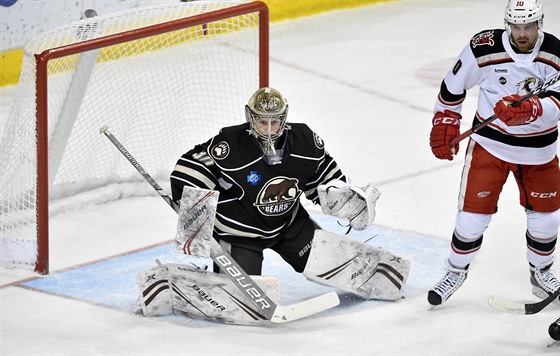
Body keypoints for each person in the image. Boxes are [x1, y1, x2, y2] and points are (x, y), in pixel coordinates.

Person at [427, 0, 560, 306]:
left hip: (538, 153)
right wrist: (445, 121)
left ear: (540, 24)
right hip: (489, 146)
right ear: (507, 23)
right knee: (471, 219)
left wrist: (531, 109)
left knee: (547, 219)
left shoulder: (556, 53)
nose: (522, 33)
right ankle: (455, 271)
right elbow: (452, 86)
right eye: (515, 26)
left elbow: (558, 104)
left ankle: (541, 271)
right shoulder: (483, 46)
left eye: (528, 26)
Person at [170, 87, 380, 276]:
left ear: (284, 118)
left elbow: (323, 176)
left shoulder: (305, 142)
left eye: (275, 121)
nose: (270, 129)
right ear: (251, 118)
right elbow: (190, 168)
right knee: (246, 299)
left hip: (289, 226)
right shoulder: (230, 146)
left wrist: (342, 196)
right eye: (263, 122)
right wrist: (193, 208)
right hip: (239, 234)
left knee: (337, 265)